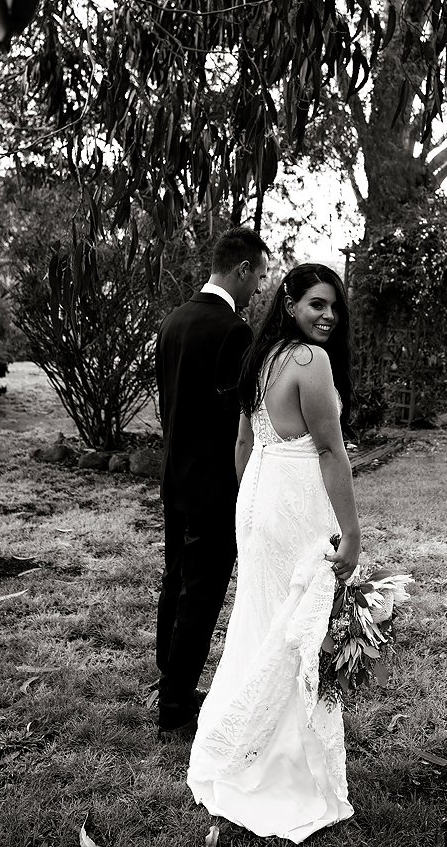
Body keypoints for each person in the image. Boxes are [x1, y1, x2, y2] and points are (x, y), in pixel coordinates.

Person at [187, 263, 361, 843]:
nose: (328, 316)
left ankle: (241, 743)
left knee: (261, 622)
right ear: (290, 303)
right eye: (317, 303)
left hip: (257, 496)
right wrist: (352, 533)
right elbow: (332, 453)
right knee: (299, 627)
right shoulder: (312, 362)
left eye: (334, 307)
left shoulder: (262, 359)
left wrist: (251, 510)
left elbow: (243, 443)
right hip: (291, 500)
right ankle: (280, 764)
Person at [155, 226, 270, 738]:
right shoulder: (233, 332)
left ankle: (170, 683)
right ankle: (176, 709)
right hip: (213, 487)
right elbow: (236, 420)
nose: (260, 289)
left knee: (174, 582)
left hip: (175, 477)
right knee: (201, 596)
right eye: (260, 277)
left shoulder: (173, 321)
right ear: (241, 270)